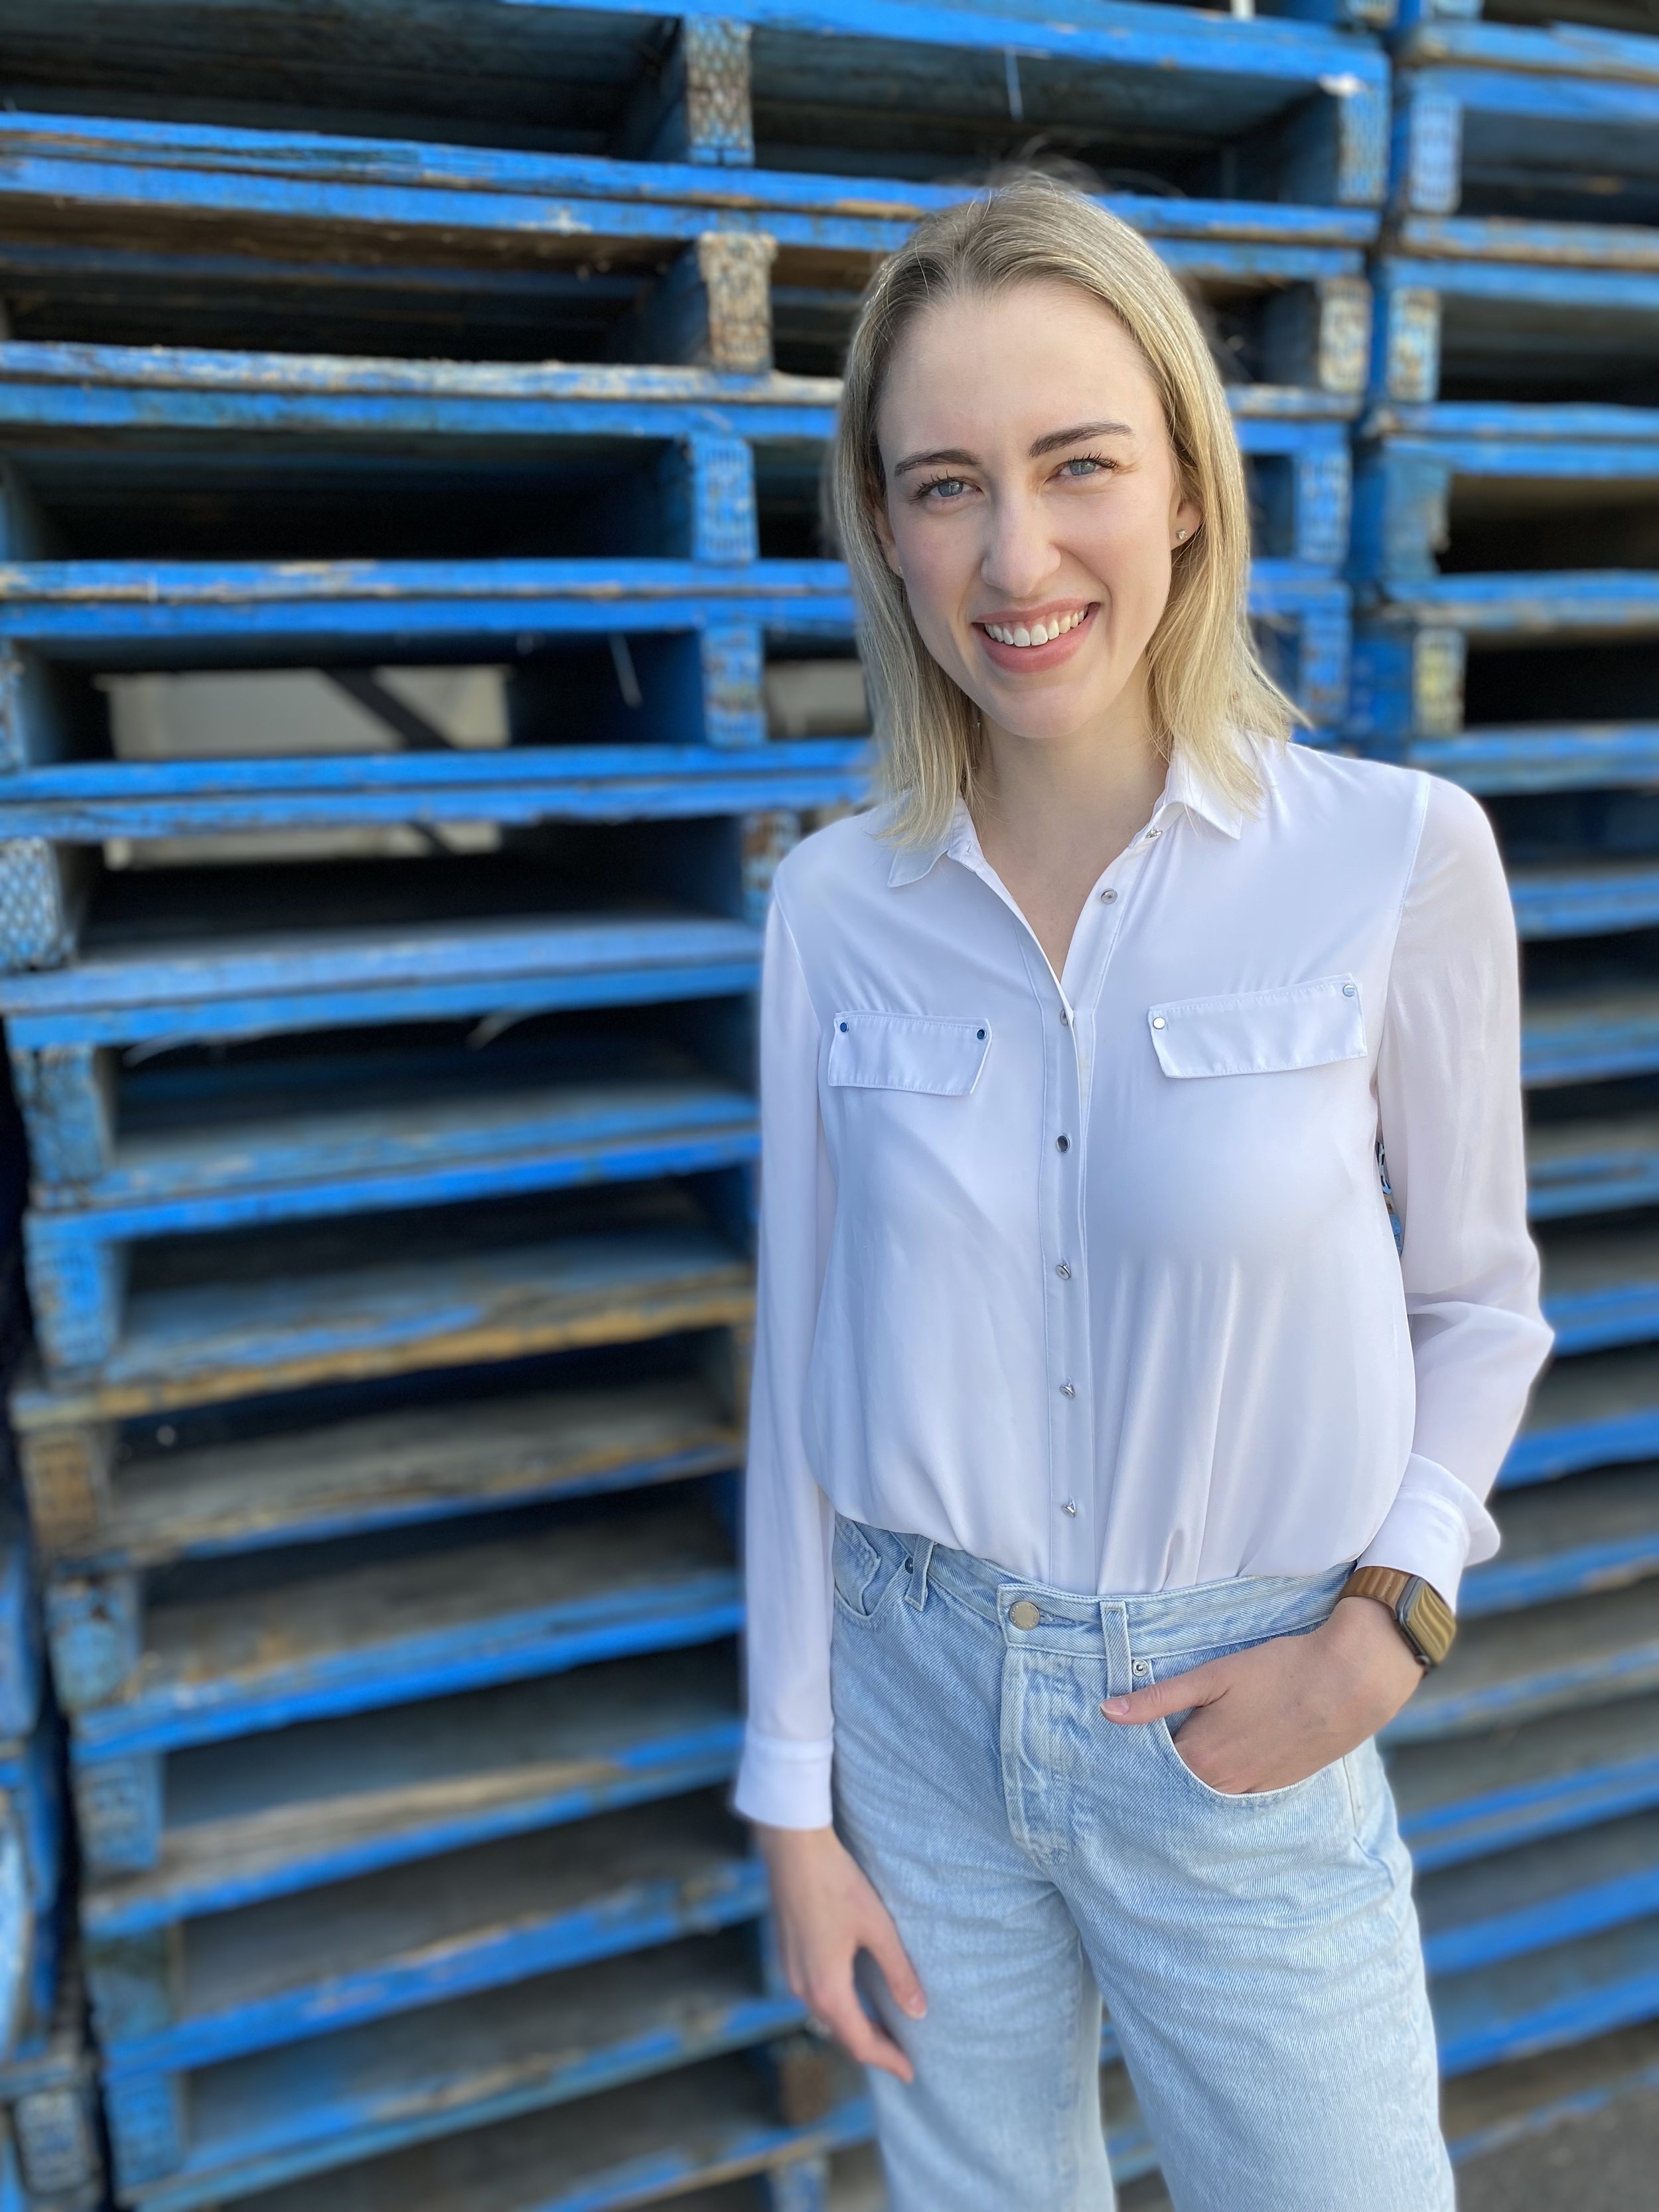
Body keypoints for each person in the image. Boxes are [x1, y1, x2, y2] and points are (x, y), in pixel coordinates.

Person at [731, 174, 1553, 2212]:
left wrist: (1381, 1631)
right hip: (915, 1721)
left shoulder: (1397, 862)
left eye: (1075, 463)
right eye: (942, 486)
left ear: (1185, 484)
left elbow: (1478, 1300)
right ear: (886, 534)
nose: (1014, 555)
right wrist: (793, 1805)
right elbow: (801, 1375)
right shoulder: (835, 910)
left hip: (1241, 1717)